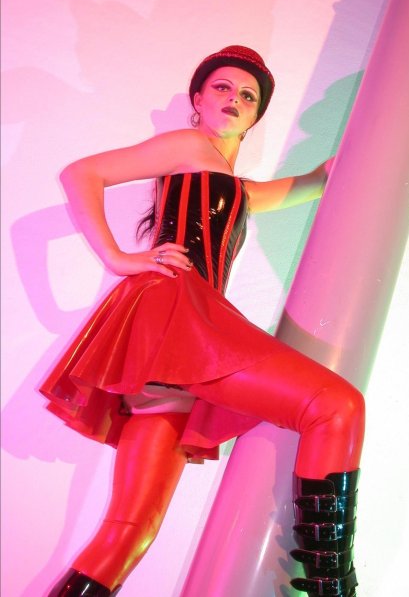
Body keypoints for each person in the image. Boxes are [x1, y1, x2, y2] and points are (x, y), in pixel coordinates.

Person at [42, 46, 365, 597]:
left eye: (248, 96)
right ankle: (334, 588)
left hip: (177, 342)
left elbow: (306, 185)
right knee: (337, 407)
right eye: (222, 87)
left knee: (131, 529)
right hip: (178, 317)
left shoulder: (234, 186)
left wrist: (338, 164)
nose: (234, 98)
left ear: (256, 115)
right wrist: (119, 258)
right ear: (197, 98)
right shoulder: (189, 146)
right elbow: (82, 173)